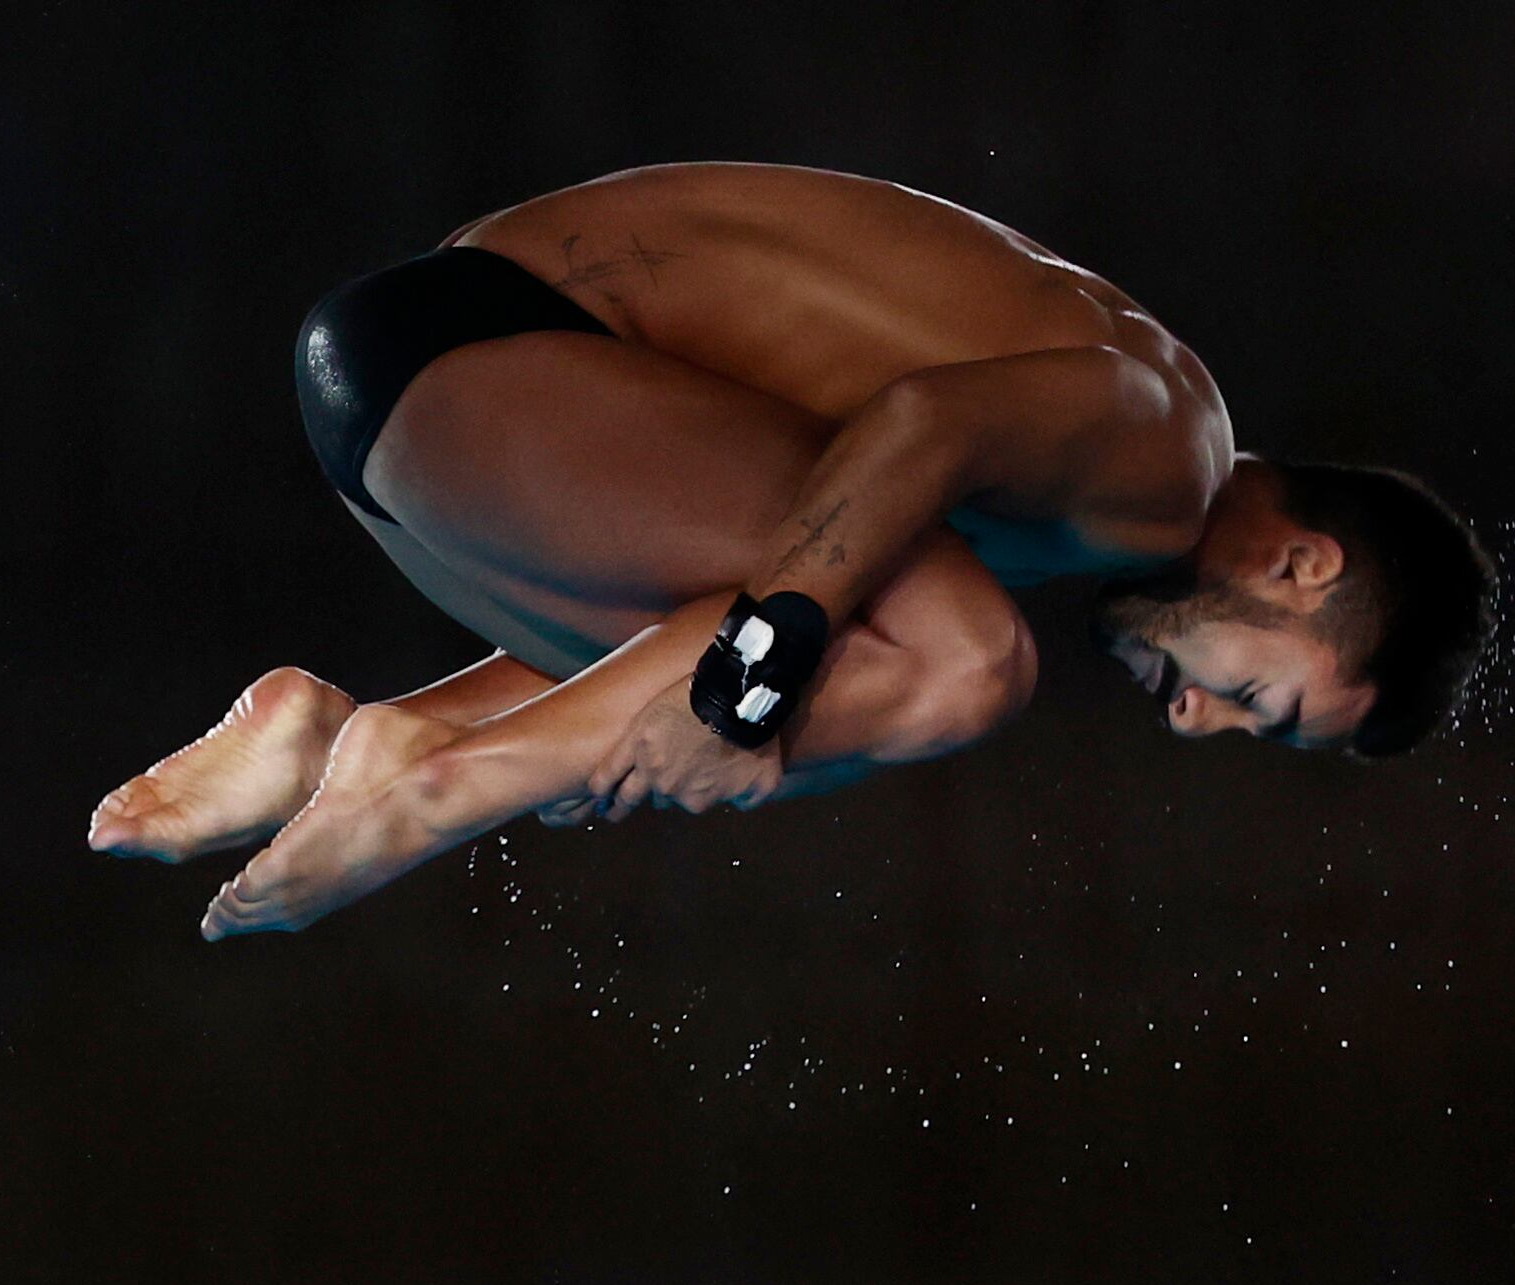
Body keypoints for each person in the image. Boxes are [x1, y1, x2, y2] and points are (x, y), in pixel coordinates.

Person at [87, 162, 1496, 939]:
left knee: (871, 618)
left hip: (433, 410)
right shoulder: (1167, 446)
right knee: (955, 660)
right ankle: (433, 779)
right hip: (483, 362)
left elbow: (745, 566)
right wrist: (739, 701)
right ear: (1299, 567)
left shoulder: (1065, 513)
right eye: (1254, 698)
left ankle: (347, 734)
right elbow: (919, 420)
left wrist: (720, 686)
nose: (1191, 721)